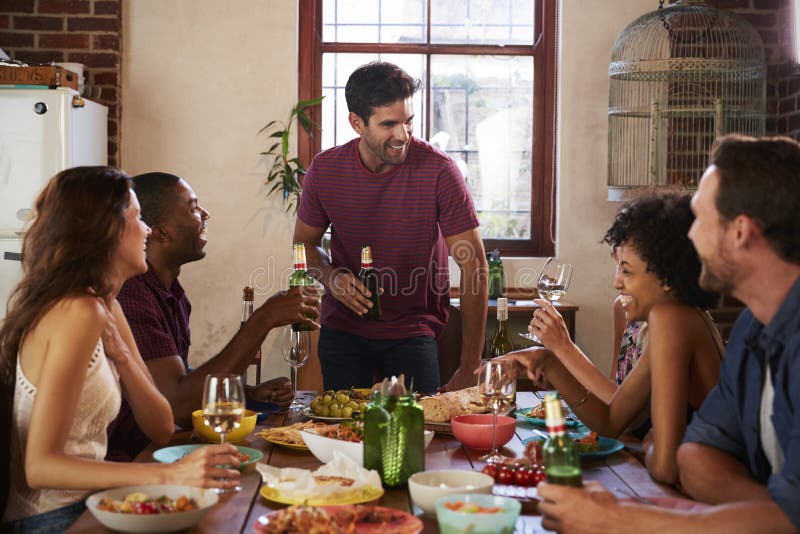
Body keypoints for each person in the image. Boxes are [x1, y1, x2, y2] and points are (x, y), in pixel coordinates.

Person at [535, 135, 799, 533]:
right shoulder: (752, 329)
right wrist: (773, 517)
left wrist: (620, 519)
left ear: (741, 231)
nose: (690, 238)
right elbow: (694, 458)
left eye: (702, 219)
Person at [0, 167, 241, 532]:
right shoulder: (77, 312)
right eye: (136, 217)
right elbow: (40, 467)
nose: (146, 229)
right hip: (51, 519)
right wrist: (171, 475)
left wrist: (123, 356)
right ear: (107, 231)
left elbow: (161, 427)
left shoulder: (105, 306)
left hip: (94, 503)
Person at [292, 61, 487, 393]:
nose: (403, 134)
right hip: (343, 329)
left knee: (417, 434)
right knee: (342, 434)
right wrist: (331, 277)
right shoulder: (324, 171)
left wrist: (471, 365)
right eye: (389, 124)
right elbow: (303, 245)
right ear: (357, 123)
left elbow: (474, 264)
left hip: (414, 330)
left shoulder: (440, 171)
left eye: (408, 121)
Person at [503, 192, 724, 484]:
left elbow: (666, 467)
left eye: (628, 270)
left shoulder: (675, 320)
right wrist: (549, 361)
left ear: (667, 277)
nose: (616, 281)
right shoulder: (673, 321)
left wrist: (649, 444)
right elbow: (610, 422)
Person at [106, 172, 320, 461]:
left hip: (158, 451)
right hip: (129, 460)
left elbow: (181, 378)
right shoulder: (131, 295)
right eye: (193, 207)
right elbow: (177, 404)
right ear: (161, 231)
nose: (205, 214)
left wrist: (249, 392)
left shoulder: (172, 293)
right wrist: (263, 319)